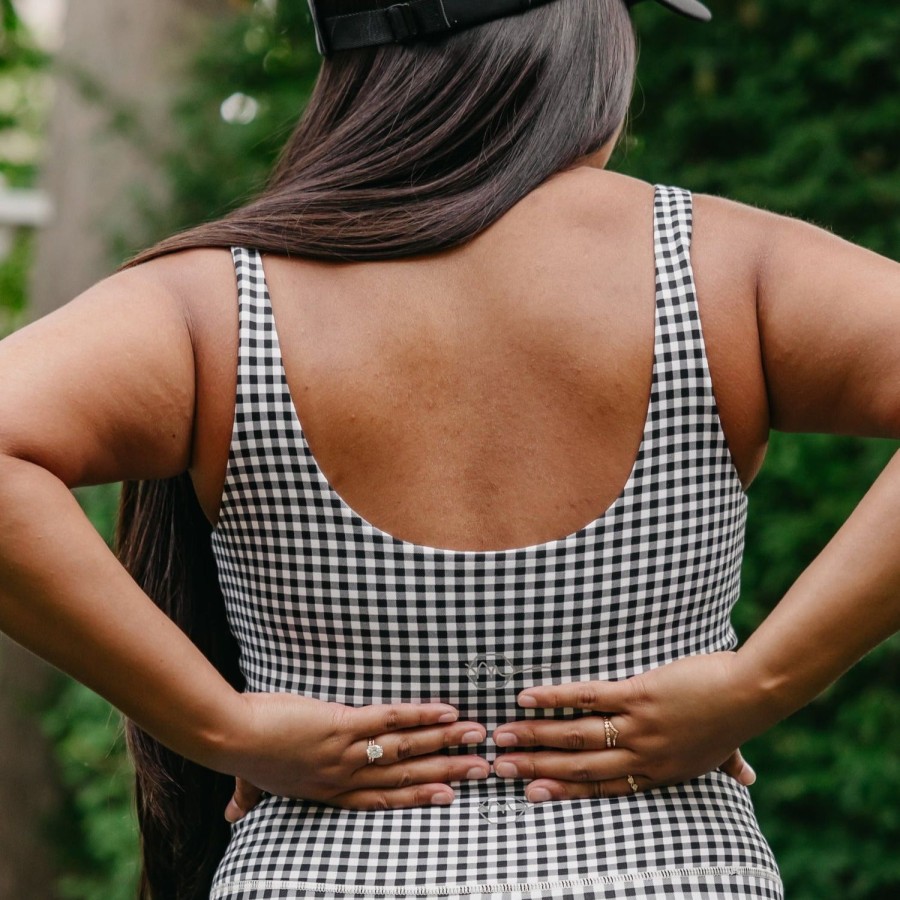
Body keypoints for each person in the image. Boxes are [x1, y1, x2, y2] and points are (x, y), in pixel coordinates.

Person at [0, 0, 898, 897]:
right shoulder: (725, 267)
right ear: (579, 52)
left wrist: (218, 725)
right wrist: (765, 681)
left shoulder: (216, 303)